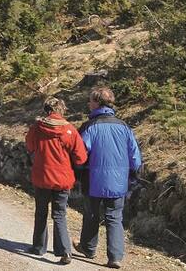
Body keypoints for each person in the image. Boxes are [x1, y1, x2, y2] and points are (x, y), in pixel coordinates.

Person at [77, 86, 142, 269]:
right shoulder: (124, 127)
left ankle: (88, 249)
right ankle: (115, 257)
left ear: (97, 103)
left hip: (93, 179)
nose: (88, 103)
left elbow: (80, 154)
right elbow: (135, 157)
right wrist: (132, 175)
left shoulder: (89, 127)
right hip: (118, 181)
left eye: (90, 100)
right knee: (114, 217)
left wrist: (77, 171)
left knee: (91, 214)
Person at [25, 97, 87, 263]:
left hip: (42, 177)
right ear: (62, 109)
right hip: (63, 178)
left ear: (46, 110)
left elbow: (29, 146)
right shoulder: (70, 130)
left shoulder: (37, 127)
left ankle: (38, 247)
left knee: (41, 212)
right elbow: (81, 157)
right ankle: (65, 251)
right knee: (59, 214)